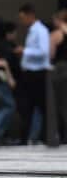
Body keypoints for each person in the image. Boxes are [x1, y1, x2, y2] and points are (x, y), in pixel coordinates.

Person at [16, 3, 52, 144]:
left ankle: (46, 136)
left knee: (41, 106)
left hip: (38, 73)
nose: (22, 21)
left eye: (23, 18)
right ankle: (25, 137)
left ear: (30, 15)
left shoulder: (40, 31)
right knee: (29, 106)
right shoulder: (32, 30)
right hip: (30, 74)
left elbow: (44, 52)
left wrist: (25, 51)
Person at [50, 9, 67, 147]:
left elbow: (50, 54)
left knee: (60, 103)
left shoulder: (56, 34)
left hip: (60, 69)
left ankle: (62, 135)